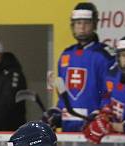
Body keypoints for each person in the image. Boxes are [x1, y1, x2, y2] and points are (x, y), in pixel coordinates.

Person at [43, 2, 115, 132]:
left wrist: (102, 113)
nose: (81, 27)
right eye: (78, 23)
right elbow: (62, 90)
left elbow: (111, 92)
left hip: (95, 129)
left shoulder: (105, 55)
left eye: (86, 23)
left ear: (95, 24)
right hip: (68, 129)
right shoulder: (66, 55)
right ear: (72, 26)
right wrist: (56, 112)